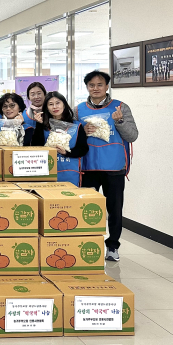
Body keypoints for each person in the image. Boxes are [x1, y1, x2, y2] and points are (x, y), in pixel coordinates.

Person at [75, 70, 138, 262]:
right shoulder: (78, 109)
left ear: (107, 86)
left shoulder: (120, 107)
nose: (95, 88)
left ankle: (113, 246)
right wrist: (81, 131)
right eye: (91, 85)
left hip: (114, 167)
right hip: (88, 167)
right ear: (87, 87)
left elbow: (132, 136)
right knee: (86, 208)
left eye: (99, 84)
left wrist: (119, 121)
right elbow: (71, 137)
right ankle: (85, 243)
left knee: (114, 208)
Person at [31, 91, 88, 186]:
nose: (55, 107)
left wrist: (66, 152)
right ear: (46, 108)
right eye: (50, 104)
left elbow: (83, 149)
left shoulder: (76, 126)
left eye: (58, 103)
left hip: (70, 173)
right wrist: (39, 125)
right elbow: (35, 147)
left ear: (64, 105)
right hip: (47, 173)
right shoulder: (43, 125)